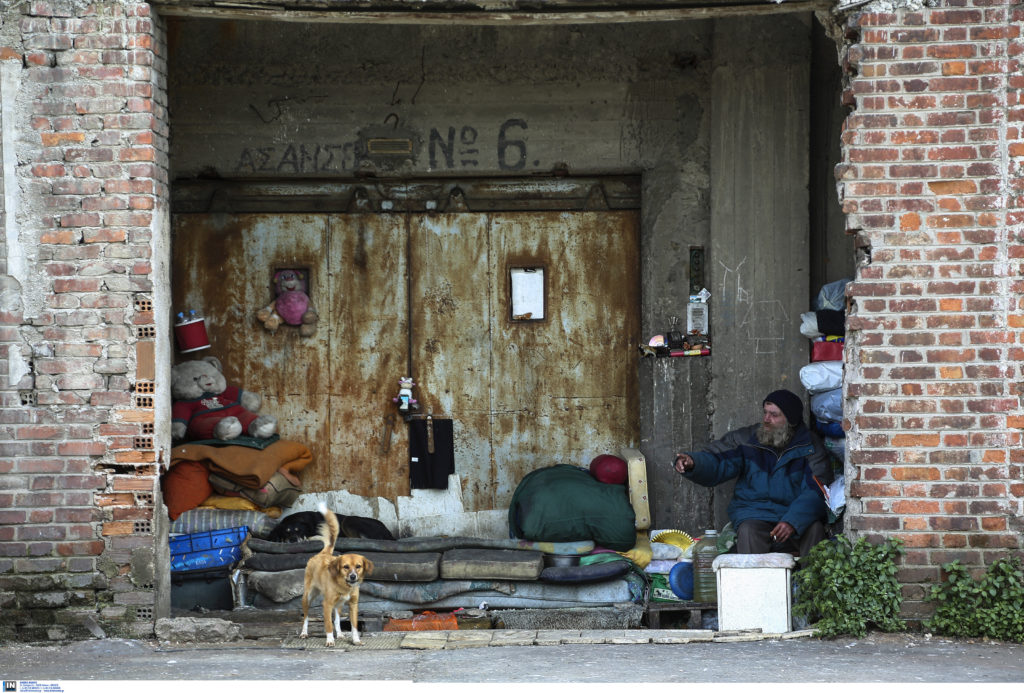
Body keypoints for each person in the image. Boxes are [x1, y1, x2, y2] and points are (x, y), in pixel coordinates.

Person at [673, 389, 828, 557]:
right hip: (754, 513)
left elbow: (817, 490)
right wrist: (694, 462)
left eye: (774, 415)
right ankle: (754, 583)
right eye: (765, 413)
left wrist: (793, 521)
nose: (766, 419)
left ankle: (810, 583)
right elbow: (718, 459)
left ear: (790, 420)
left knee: (815, 529)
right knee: (748, 531)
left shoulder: (811, 447)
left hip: (792, 513)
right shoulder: (747, 439)